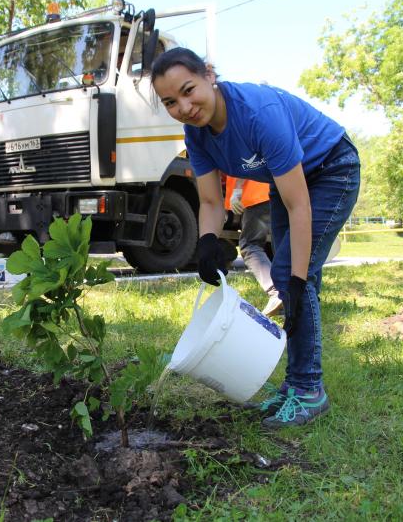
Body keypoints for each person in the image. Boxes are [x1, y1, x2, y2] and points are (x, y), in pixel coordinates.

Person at [151, 48, 360, 428]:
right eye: (170, 102)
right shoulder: (196, 133)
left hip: (331, 169)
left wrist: (294, 281)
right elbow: (211, 200)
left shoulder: (257, 114)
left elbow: (300, 207)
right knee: (288, 276)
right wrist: (207, 243)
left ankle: (309, 389)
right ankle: (294, 385)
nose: (184, 106)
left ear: (209, 75)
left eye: (188, 90)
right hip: (285, 182)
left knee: (298, 277)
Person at [226, 177, 283, 316]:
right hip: (279, 189)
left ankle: (275, 291)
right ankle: (290, 299)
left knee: (249, 245)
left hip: (257, 192)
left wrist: (238, 190)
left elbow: (243, 159)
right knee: (280, 244)